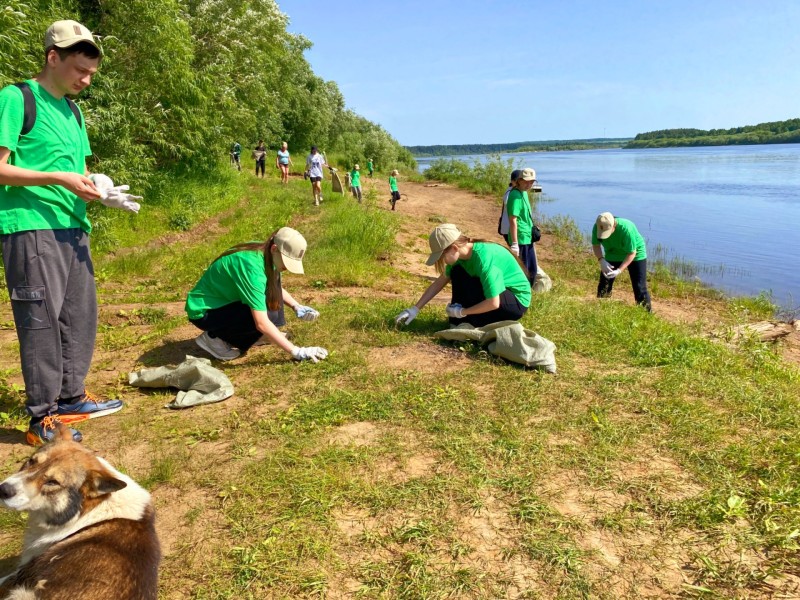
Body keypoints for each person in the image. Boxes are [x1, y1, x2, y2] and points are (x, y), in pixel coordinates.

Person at [0, 20, 134, 445]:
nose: (86, 79)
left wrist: (102, 191)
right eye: (80, 69)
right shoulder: (16, 98)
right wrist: (57, 178)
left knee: (79, 317)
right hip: (32, 226)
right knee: (39, 321)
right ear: (52, 58)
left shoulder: (74, 111)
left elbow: (82, 172)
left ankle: (71, 397)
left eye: (91, 72)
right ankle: (42, 418)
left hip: (74, 227)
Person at [185, 227, 329, 362]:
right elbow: (261, 323)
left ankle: (254, 337)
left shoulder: (265, 253)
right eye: (286, 262)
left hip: (226, 302)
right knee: (268, 313)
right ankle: (214, 338)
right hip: (205, 312)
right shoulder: (251, 268)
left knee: (272, 300)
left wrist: (296, 306)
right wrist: (297, 351)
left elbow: (273, 288)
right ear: (275, 249)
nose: (287, 268)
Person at [395, 224, 531, 328]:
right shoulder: (460, 258)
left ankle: (470, 320)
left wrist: (463, 312)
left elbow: (494, 303)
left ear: (454, 248)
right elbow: (439, 283)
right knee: (457, 272)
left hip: (515, 302)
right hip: (497, 297)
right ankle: (462, 322)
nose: (442, 260)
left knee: (461, 275)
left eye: (442, 256)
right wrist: (415, 309)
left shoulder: (483, 259)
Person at [592, 212, 652, 311]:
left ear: (614, 226)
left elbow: (632, 253)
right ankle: (602, 310)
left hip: (635, 254)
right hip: (613, 253)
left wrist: (619, 270)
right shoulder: (598, 227)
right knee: (604, 283)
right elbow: (596, 245)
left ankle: (646, 315)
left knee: (639, 286)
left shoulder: (626, 228)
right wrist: (601, 260)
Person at [506, 167, 538, 283]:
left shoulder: (523, 193)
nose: (529, 184)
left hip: (527, 236)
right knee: (524, 270)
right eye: (526, 181)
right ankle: (522, 295)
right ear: (519, 180)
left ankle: (528, 292)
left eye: (532, 181)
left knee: (532, 270)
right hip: (520, 238)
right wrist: (515, 244)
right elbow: (512, 220)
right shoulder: (515, 195)